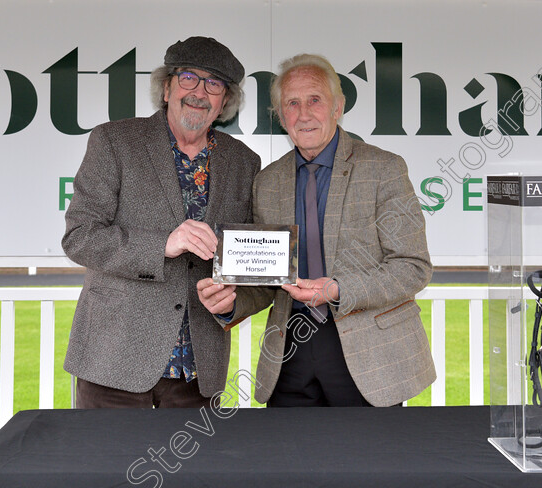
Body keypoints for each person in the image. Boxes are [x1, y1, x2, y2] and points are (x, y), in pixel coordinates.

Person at [198, 53, 435, 407]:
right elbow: (269, 281)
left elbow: (412, 267)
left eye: (314, 100)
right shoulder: (268, 182)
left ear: (337, 107)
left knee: (369, 462)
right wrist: (229, 303)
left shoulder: (384, 169)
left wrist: (338, 290)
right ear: (281, 115)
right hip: (288, 354)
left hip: (368, 357)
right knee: (289, 461)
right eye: (292, 103)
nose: (304, 114)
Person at [63, 36, 260, 408]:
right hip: (114, 360)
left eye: (214, 84)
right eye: (189, 78)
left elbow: (248, 261)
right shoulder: (115, 141)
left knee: (194, 470)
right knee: (108, 467)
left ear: (224, 103)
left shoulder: (244, 162)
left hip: (199, 369)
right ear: (167, 87)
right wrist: (162, 245)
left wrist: (233, 300)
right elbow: (80, 237)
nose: (199, 92)